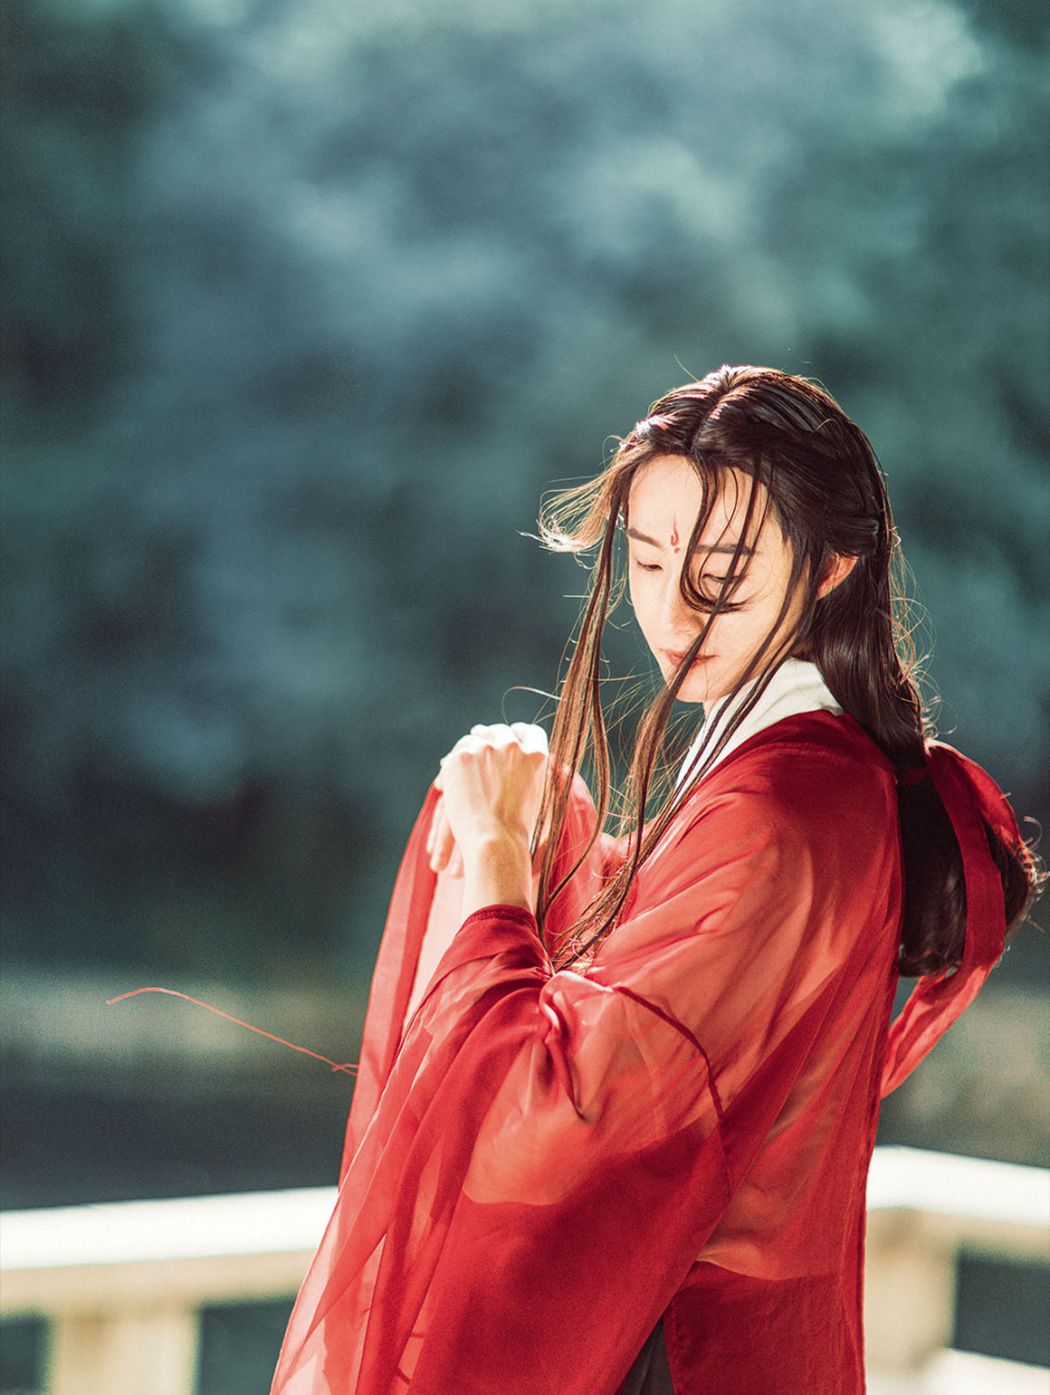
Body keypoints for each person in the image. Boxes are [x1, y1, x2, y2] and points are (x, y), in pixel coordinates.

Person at [267, 364, 1043, 1394]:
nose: (673, 611)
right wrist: (565, 832)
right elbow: (665, 996)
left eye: (721, 574)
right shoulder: (800, 771)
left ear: (831, 566)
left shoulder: (784, 811)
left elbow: (555, 1118)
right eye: (644, 558)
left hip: (679, 1346)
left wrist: (497, 853)